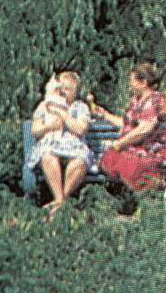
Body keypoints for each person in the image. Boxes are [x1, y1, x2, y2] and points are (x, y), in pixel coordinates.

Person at [27, 68, 98, 216]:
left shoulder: (81, 107)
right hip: (51, 145)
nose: (64, 92)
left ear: (75, 92)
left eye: (68, 89)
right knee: (47, 156)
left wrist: (63, 114)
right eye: (62, 88)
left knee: (80, 161)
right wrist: (49, 126)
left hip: (74, 148)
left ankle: (58, 204)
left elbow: (81, 129)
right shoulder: (45, 105)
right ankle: (61, 202)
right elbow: (34, 130)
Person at [101, 61, 166, 210]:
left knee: (130, 163)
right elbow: (127, 124)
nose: (130, 84)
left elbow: (145, 128)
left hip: (151, 150)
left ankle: (136, 204)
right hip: (134, 149)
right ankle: (125, 204)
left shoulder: (155, 100)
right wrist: (104, 114)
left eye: (132, 80)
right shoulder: (136, 100)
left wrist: (121, 143)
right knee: (113, 159)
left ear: (143, 82)